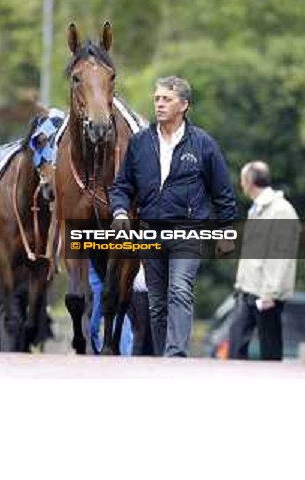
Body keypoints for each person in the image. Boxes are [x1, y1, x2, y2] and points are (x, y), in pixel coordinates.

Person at [110, 76, 236, 357]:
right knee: (157, 302)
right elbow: (121, 186)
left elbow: (223, 193)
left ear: (184, 105)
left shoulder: (203, 144)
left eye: (166, 99)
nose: (159, 104)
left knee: (179, 289)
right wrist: (119, 210)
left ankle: (175, 355)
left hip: (188, 230)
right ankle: (162, 357)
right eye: (156, 99)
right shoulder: (140, 142)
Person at [228, 161, 301, 361]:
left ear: (250, 181)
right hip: (247, 291)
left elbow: (281, 255)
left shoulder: (281, 211)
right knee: (235, 346)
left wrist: (270, 293)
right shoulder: (257, 208)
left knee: (270, 351)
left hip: (266, 295)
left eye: (243, 180)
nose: (241, 184)